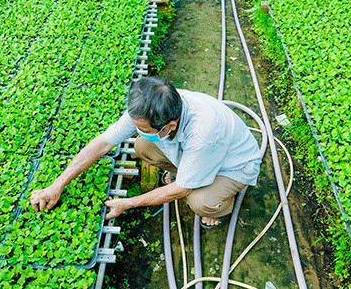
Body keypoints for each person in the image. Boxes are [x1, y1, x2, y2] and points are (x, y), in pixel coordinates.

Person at [30, 76, 261, 228]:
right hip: (199, 155)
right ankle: (189, 171)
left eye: (143, 128)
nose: (136, 129)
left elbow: (182, 189)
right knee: (142, 146)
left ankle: (221, 208)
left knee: (198, 199)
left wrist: (127, 203)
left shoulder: (203, 133)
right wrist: (57, 185)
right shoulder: (150, 106)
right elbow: (102, 144)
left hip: (232, 166)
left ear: (170, 125)